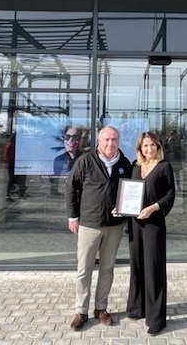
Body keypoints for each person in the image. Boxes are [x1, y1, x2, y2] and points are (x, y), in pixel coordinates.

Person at [64, 126, 132, 331]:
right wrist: (73, 216)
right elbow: (71, 188)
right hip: (89, 224)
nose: (111, 143)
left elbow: (129, 191)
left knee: (107, 268)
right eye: (107, 140)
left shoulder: (124, 163)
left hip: (114, 226)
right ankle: (81, 311)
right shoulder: (85, 160)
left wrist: (125, 210)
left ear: (118, 141)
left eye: (114, 139)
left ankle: (101, 308)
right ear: (99, 142)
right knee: (84, 269)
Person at [120, 131, 175, 336]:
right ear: (140, 149)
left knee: (153, 268)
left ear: (158, 146)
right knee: (137, 264)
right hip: (135, 223)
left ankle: (156, 319)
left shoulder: (164, 167)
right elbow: (127, 193)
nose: (149, 149)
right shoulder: (135, 167)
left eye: (152, 145)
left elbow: (170, 195)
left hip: (153, 224)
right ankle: (137, 308)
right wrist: (120, 208)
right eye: (145, 146)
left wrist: (153, 208)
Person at [51, 126, 82, 195]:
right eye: (67, 137)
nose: (70, 140)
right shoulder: (59, 160)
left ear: (80, 141)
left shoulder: (85, 159)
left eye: (75, 137)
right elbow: (57, 183)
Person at [4, 133, 26, 200]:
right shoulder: (11, 145)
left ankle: (19, 192)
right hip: (12, 163)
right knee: (11, 179)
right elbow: (7, 156)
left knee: (18, 179)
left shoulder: (18, 145)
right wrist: (16, 158)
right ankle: (8, 194)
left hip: (17, 163)